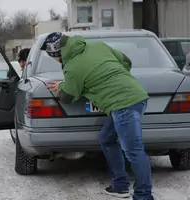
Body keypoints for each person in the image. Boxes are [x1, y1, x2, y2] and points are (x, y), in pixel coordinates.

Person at [41, 32, 153, 200]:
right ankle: (120, 185)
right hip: (137, 96)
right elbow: (126, 62)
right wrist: (110, 77)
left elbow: (68, 97)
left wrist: (62, 86)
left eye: (53, 57)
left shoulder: (72, 67)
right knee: (107, 138)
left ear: (56, 53)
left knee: (134, 151)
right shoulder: (97, 46)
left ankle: (143, 196)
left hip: (123, 105)